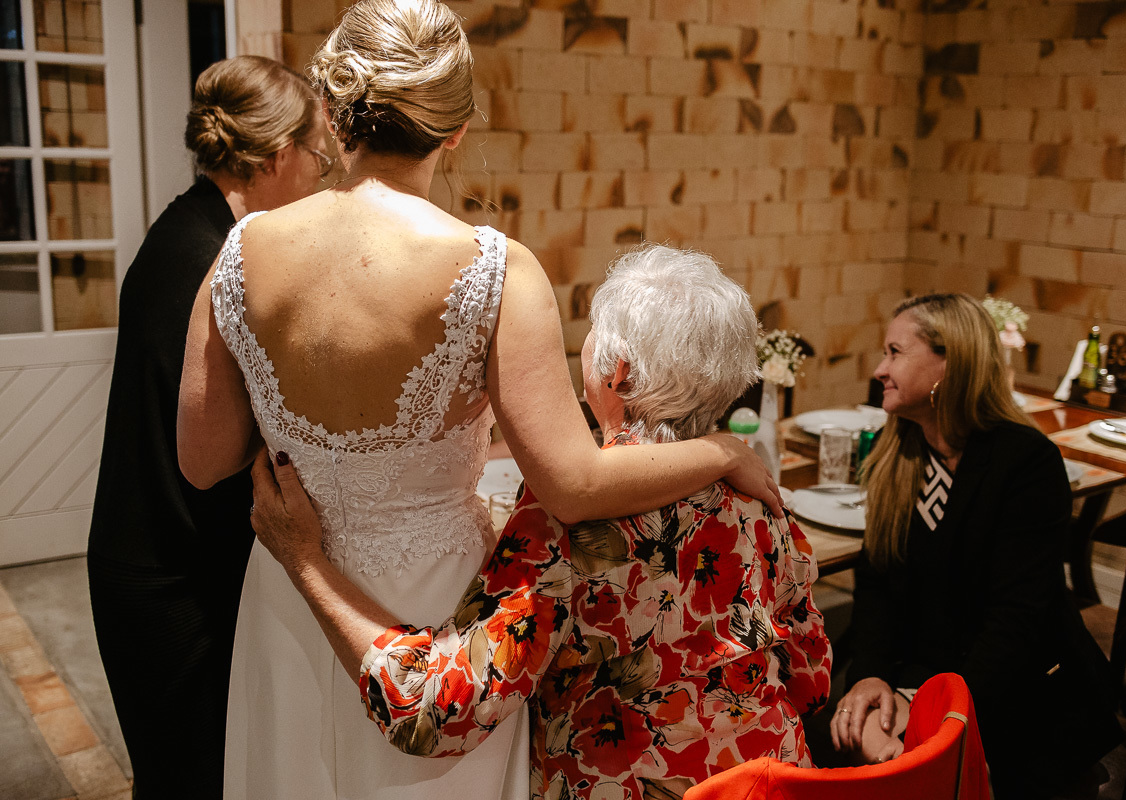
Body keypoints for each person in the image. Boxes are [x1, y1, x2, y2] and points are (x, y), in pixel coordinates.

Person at [175, 3, 780, 799]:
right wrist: (726, 450)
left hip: (290, 586)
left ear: (328, 108)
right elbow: (573, 484)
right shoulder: (494, 269)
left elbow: (204, 459)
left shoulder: (241, 250)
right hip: (434, 603)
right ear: (455, 129)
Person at [246, 244, 833, 800]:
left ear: (618, 373)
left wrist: (306, 561)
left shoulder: (570, 520)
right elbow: (812, 677)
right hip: (774, 782)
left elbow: (434, 713)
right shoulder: (761, 499)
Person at [85, 56, 326, 799]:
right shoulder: (210, 260)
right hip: (169, 579)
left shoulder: (191, 225)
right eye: (319, 159)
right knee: (188, 778)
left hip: (155, 555)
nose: (321, 179)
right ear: (279, 155)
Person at [830, 293, 1122, 798]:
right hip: (921, 673)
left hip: (1015, 689)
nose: (880, 369)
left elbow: (1015, 624)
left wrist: (928, 708)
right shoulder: (897, 452)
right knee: (847, 733)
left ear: (949, 362)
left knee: (885, 763)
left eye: (895, 352)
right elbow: (876, 586)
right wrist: (871, 677)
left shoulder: (1026, 464)